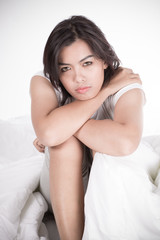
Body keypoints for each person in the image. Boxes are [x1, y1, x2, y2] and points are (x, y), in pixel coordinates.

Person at [30, 16, 160, 240]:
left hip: (109, 181)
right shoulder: (45, 82)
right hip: (61, 185)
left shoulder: (125, 82)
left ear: (104, 60)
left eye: (87, 63)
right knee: (63, 144)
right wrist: (103, 93)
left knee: (102, 145)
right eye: (65, 68)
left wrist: (63, 125)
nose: (78, 78)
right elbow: (50, 134)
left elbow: (125, 142)